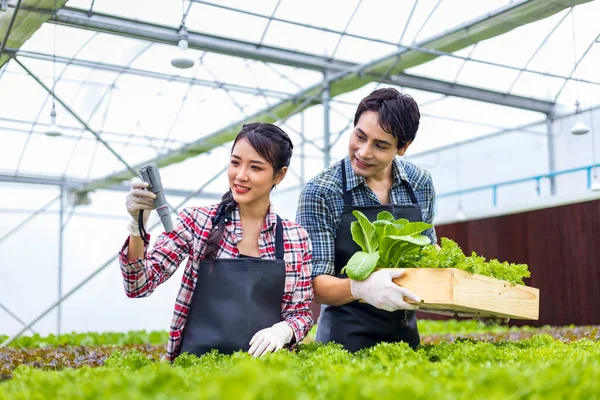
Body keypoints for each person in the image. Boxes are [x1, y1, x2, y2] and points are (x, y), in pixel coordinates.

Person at [120, 123, 313, 361]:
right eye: (235, 162)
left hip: (265, 378)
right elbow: (138, 285)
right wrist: (137, 226)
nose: (240, 175)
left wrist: (283, 331)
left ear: (279, 175)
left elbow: (301, 314)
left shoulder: (295, 238)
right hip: (195, 374)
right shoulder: (197, 222)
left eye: (255, 167)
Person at [296, 88, 436, 352]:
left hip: (406, 341)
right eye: (359, 136)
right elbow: (315, 284)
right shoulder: (322, 191)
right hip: (342, 344)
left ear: (403, 147)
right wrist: (361, 288)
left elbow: (428, 253)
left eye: (380, 145)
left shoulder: (420, 183)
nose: (363, 151)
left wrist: (468, 297)